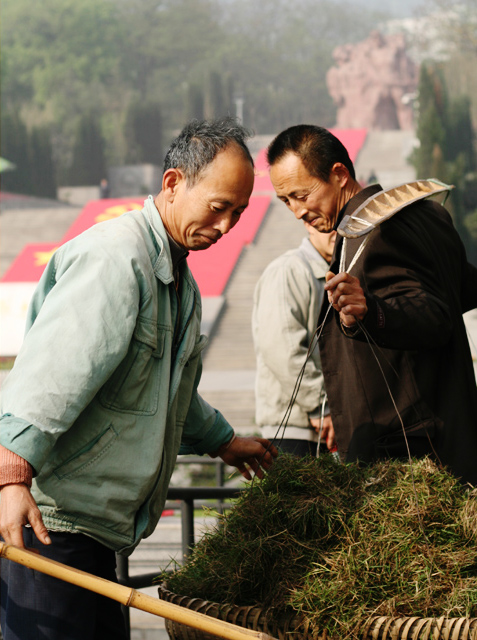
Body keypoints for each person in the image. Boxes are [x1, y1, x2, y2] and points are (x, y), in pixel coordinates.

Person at [0, 117, 278, 640]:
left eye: (238, 213)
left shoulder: (179, 278)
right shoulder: (117, 259)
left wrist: (225, 442)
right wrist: (11, 478)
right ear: (173, 184)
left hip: (95, 535)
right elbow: (50, 375)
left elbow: (167, 389)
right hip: (50, 527)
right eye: (218, 207)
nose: (225, 227)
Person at [266, 123, 477, 486]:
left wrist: (373, 311)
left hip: (409, 463)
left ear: (338, 173)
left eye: (302, 194)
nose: (297, 212)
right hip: (446, 442)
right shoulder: (427, 214)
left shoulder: (375, 232)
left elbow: (434, 315)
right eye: (286, 201)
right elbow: (463, 288)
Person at [252, 222, 336, 456]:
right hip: (295, 430)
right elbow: (283, 351)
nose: (337, 232)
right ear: (309, 223)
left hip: (323, 427)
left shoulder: (332, 273)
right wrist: (321, 406)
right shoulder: (289, 270)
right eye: (330, 225)